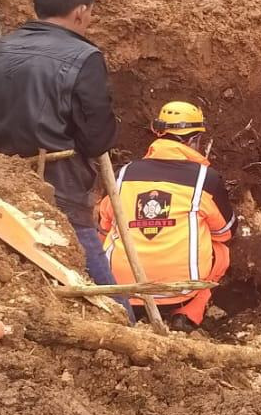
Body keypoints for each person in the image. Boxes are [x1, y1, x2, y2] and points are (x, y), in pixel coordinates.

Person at [0, 0, 118, 286]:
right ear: (80, 11)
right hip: (60, 194)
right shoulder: (85, 58)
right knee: (107, 294)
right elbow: (98, 139)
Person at [96, 102, 235, 332]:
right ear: (193, 141)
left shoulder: (123, 174)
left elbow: (103, 227)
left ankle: (123, 309)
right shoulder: (205, 179)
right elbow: (226, 232)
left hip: (123, 288)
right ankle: (188, 314)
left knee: (107, 234)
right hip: (179, 292)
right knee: (221, 250)